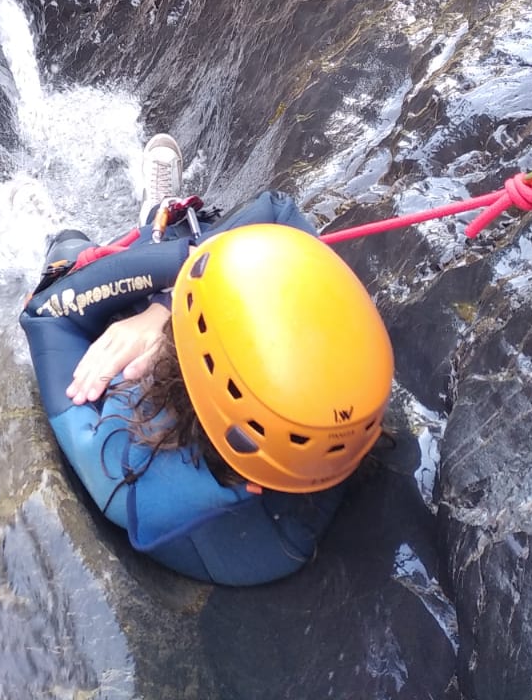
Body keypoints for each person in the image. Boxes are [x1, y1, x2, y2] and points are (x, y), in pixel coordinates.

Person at [20, 135, 394, 587]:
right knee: (209, 253)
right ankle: (162, 225)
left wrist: (173, 283)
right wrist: (166, 307)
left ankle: (144, 229)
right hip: (227, 423)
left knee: (67, 249)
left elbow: (46, 312)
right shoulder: (333, 412)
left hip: (132, 381)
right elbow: (277, 211)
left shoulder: (123, 472)